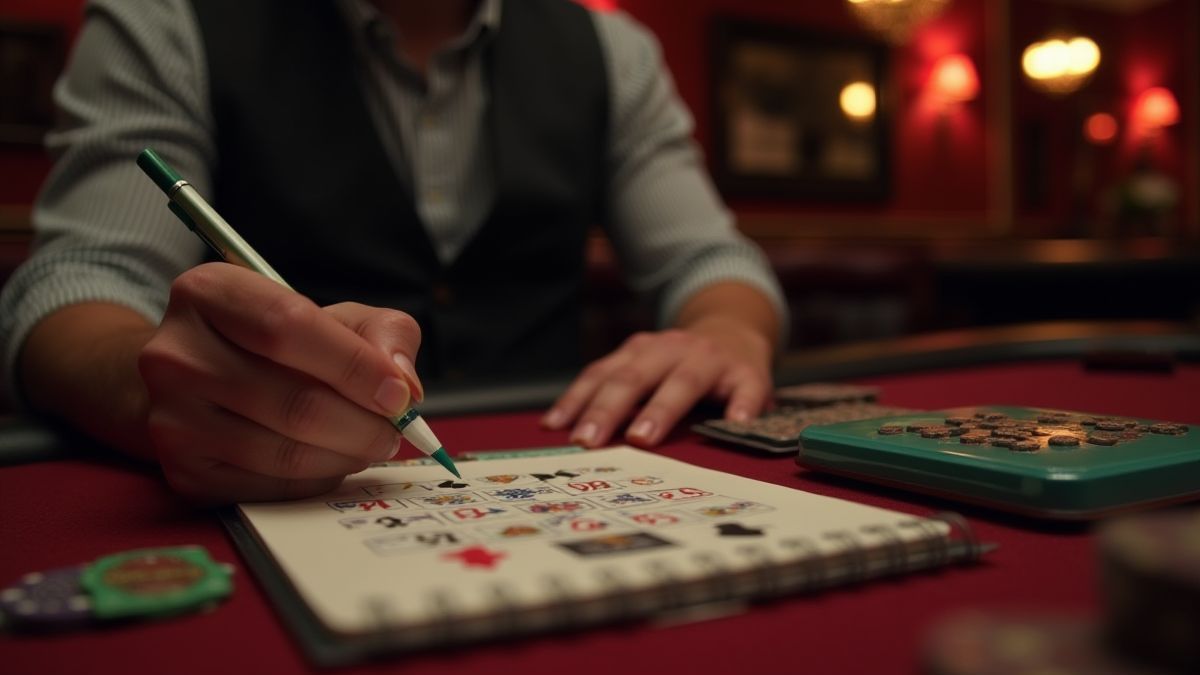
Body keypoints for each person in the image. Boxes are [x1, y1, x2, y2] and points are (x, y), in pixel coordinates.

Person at [0, 0, 786, 503]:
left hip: (548, 452)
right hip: (274, 502)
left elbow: (708, 261)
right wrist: (151, 392)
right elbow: (77, 282)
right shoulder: (167, 20)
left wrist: (726, 331)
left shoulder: (614, 50)